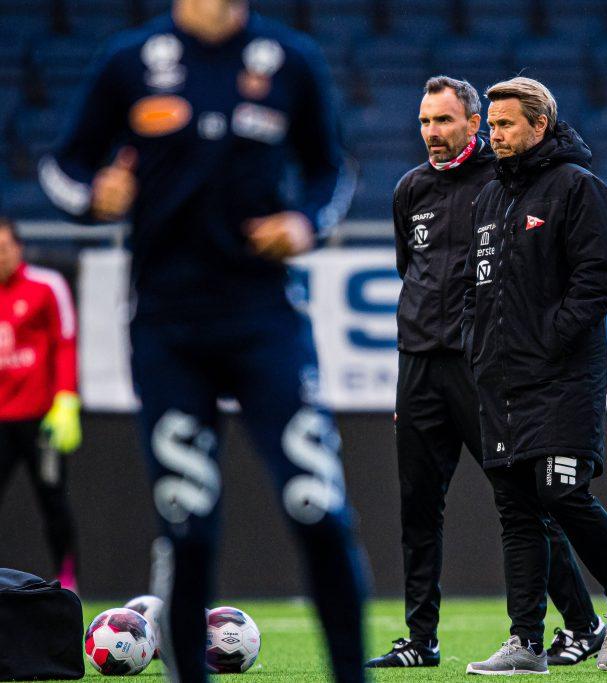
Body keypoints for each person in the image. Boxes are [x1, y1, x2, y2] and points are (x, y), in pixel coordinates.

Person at [38, 0, 364, 680]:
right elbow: (63, 168)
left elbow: (332, 170)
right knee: (190, 531)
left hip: (264, 320)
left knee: (320, 510)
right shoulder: (129, 62)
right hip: (168, 329)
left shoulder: (290, 59)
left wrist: (304, 222)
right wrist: (95, 197)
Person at [366, 76, 604, 669]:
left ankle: (582, 622)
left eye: (443, 121)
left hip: (482, 368)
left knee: (523, 503)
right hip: (419, 367)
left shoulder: (501, 184)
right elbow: (411, 272)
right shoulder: (410, 189)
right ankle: (420, 640)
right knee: (418, 508)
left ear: (475, 124)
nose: (432, 133)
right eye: (424, 122)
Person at [462, 77, 607, 676]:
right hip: (500, 381)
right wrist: (480, 350)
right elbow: (477, 291)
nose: (495, 136)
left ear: (539, 125)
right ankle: (526, 642)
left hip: (562, 378)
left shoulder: (579, 188)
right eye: (491, 126)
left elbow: (598, 281)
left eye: (506, 125)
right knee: (517, 511)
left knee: (563, 493)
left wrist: (549, 340)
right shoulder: (488, 199)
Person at [0, 216, 81, 594]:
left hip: (40, 422)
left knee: (53, 502)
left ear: (18, 247)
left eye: (3, 248)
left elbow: (66, 341)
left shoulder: (46, 286)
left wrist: (66, 399)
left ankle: (68, 582)